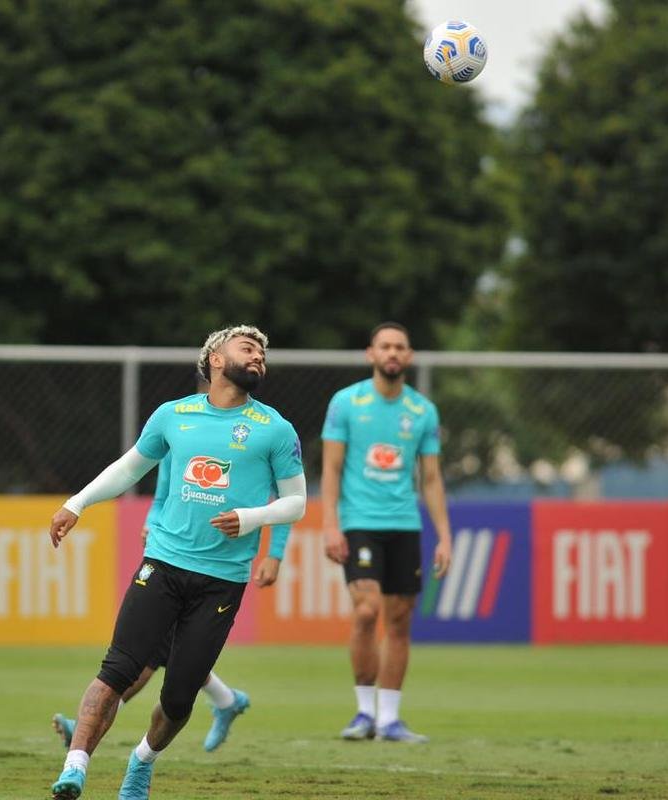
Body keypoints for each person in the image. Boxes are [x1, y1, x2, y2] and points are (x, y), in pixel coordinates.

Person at [47, 325, 306, 800]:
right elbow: (129, 468)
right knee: (117, 668)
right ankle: (74, 769)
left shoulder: (275, 428)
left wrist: (253, 518)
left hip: (222, 582)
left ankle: (142, 762)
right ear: (214, 358)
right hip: (162, 565)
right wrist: (76, 503)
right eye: (248, 348)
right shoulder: (173, 415)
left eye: (263, 355)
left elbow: (296, 503)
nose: (258, 358)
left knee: (179, 697)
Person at [51, 451, 292, 753]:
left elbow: (287, 498)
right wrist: (152, 523)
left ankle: (223, 700)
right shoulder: (181, 429)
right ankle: (226, 699)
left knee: (161, 652)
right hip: (170, 559)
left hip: (218, 571)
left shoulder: (258, 434)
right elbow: (163, 495)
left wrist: (275, 553)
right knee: (161, 650)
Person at [321, 321, 452, 743]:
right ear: (371, 354)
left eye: (400, 346)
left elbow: (430, 478)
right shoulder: (346, 403)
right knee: (365, 610)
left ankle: (390, 719)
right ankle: (363, 712)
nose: (392, 353)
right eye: (385, 346)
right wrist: (329, 524)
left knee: (399, 620)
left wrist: (444, 536)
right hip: (359, 522)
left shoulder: (422, 411)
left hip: (404, 525)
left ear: (409, 356)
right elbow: (332, 468)